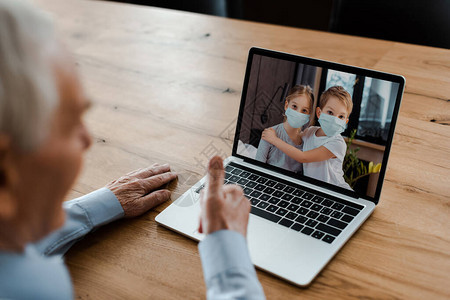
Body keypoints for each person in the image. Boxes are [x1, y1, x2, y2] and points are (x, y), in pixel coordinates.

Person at [0, 1, 264, 299]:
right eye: (69, 124)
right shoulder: (33, 287)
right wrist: (227, 250)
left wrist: (100, 206)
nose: (87, 139)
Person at [262, 86, 352, 190]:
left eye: (341, 116)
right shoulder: (310, 131)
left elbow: (303, 157)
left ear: (345, 121)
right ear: (319, 113)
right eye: (330, 112)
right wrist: (275, 133)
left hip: (336, 191)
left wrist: (274, 140)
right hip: (315, 189)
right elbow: (294, 139)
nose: (335, 119)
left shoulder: (337, 143)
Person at [255, 85, 314, 173]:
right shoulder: (270, 134)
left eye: (304, 110)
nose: (298, 113)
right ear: (286, 105)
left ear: (308, 115)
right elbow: (257, 168)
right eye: (294, 106)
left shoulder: (306, 142)